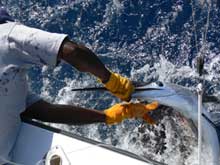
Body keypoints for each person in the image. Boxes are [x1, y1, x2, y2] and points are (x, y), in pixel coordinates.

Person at [0, 5, 158, 163]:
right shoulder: (8, 35)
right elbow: (72, 51)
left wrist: (107, 116)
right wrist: (110, 79)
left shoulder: (7, 80)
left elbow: (39, 111)